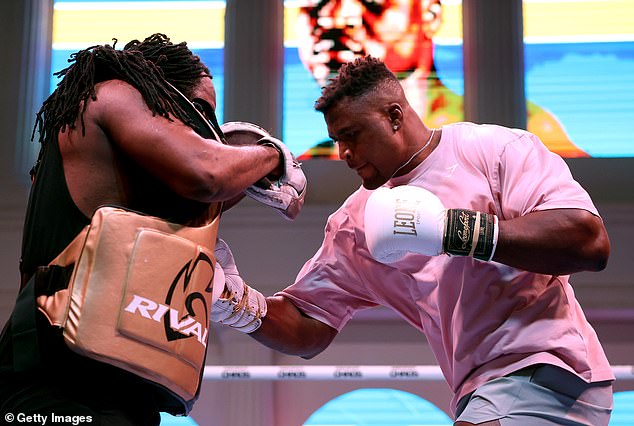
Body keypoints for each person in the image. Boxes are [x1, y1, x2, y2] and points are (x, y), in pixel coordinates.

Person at [212, 56, 615, 425]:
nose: (345, 153)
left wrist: (450, 230)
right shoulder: (356, 221)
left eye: (352, 134)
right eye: (336, 139)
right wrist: (233, 300)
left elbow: (588, 241)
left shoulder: (495, 150)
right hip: (481, 390)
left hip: (552, 372)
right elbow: (307, 327)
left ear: (394, 116)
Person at [0, 34, 304, 425]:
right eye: (199, 112)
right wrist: (270, 154)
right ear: (157, 88)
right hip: (57, 381)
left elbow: (204, 187)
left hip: (121, 388)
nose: (203, 130)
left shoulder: (133, 174)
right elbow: (208, 173)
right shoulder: (111, 95)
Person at [294, 0, 589, 159]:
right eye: (316, 3)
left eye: (372, 2)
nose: (338, 18)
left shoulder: (520, 139)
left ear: (430, 14)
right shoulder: (315, 160)